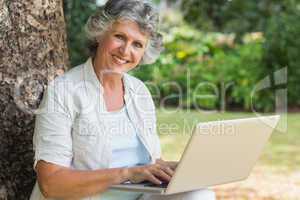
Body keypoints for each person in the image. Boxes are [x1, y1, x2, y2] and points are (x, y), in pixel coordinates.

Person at [29, 0, 216, 199]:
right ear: (100, 34)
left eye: (137, 44)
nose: (126, 51)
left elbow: (149, 161)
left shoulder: (139, 92)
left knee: (199, 194)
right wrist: (126, 173)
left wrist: (170, 169)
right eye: (120, 37)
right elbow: (51, 184)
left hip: (139, 196)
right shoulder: (64, 92)